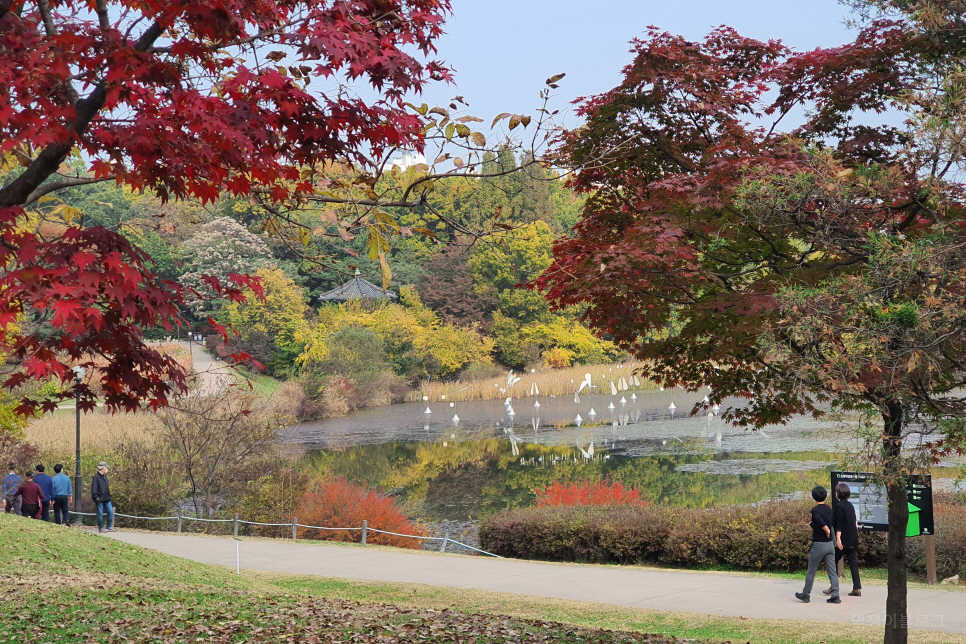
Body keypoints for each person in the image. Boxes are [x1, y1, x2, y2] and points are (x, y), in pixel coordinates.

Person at [795, 485, 840, 604]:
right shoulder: (829, 509)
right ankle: (835, 595)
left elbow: (820, 521)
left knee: (811, 571)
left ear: (813, 497)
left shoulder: (815, 510)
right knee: (832, 571)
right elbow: (828, 522)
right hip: (830, 545)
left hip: (819, 545)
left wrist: (826, 530)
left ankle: (805, 595)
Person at [824, 482, 862, 597]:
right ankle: (857, 588)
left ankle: (833, 586)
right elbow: (853, 522)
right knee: (853, 564)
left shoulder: (839, 507)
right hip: (852, 538)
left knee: (832, 560)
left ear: (838, 494)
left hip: (844, 540)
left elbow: (839, 525)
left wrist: (838, 540)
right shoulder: (850, 505)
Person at [91, 462, 115, 533]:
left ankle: (109, 526)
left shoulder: (105, 476)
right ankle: (101, 527)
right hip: (100, 498)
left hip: (106, 498)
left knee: (110, 511)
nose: (107, 469)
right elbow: (94, 488)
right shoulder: (96, 477)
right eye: (106, 467)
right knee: (100, 513)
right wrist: (96, 497)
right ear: (103, 468)